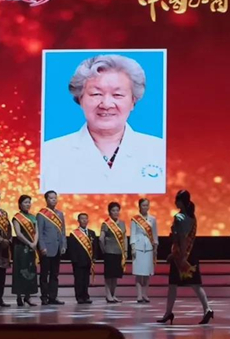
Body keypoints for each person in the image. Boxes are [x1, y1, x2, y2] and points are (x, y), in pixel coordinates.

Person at [41, 54, 166, 194]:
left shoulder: (160, 151)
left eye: (118, 95)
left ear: (133, 101)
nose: (106, 104)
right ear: (80, 99)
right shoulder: (48, 154)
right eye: (96, 94)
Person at [157, 190, 213, 325]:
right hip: (191, 253)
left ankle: (169, 313)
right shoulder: (192, 217)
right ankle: (206, 309)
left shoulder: (180, 217)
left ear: (181, 202)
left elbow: (181, 238)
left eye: (177, 200)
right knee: (193, 284)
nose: (175, 202)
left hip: (181, 256)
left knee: (174, 285)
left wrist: (179, 256)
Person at [37, 190, 67, 305]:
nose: (54, 200)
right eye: (51, 198)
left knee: (55, 275)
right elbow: (39, 232)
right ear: (46, 200)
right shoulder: (42, 214)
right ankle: (44, 297)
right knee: (44, 275)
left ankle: (53, 297)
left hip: (57, 248)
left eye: (55, 198)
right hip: (46, 248)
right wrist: (42, 247)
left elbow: (63, 231)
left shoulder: (60, 214)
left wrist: (64, 245)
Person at [12, 195, 39, 307]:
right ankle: (19, 296)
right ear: (20, 204)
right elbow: (18, 234)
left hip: (31, 248)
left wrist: (34, 243)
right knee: (20, 271)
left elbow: (36, 232)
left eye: (29, 202)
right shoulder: (17, 217)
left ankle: (28, 297)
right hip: (21, 248)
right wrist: (29, 243)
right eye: (25, 202)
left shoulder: (33, 217)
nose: (28, 204)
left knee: (30, 271)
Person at [130, 198, 158, 303]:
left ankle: (145, 294)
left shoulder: (152, 219)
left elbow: (155, 234)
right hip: (138, 247)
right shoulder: (135, 219)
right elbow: (132, 234)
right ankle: (139, 295)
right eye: (143, 205)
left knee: (147, 272)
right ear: (139, 206)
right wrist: (133, 247)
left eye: (147, 205)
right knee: (138, 273)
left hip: (149, 247)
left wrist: (155, 247)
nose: (145, 207)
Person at [99, 202, 127, 303]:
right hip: (109, 252)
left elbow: (124, 237)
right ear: (109, 212)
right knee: (109, 276)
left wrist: (125, 251)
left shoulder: (122, 223)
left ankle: (113, 294)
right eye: (113, 210)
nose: (115, 212)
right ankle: (108, 295)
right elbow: (101, 238)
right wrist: (104, 250)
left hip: (119, 252)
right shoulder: (106, 223)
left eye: (117, 210)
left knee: (115, 275)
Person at [68, 213, 97, 304]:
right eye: (82, 219)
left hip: (88, 260)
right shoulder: (74, 234)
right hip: (78, 261)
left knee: (86, 279)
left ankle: (86, 296)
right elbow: (72, 248)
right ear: (78, 221)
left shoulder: (92, 233)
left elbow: (95, 247)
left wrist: (94, 257)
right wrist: (74, 260)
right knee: (79, 279)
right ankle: (79, 297)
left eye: (85, 218)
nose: (84, 220)